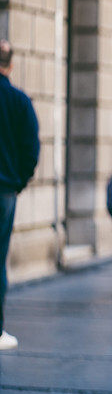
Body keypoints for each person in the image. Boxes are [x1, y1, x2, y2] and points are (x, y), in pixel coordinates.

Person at [0, 39, 39, 351]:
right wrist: (18, 181)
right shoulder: (19, 101)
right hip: (5, 191)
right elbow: (31, 150)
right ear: (10, 65)